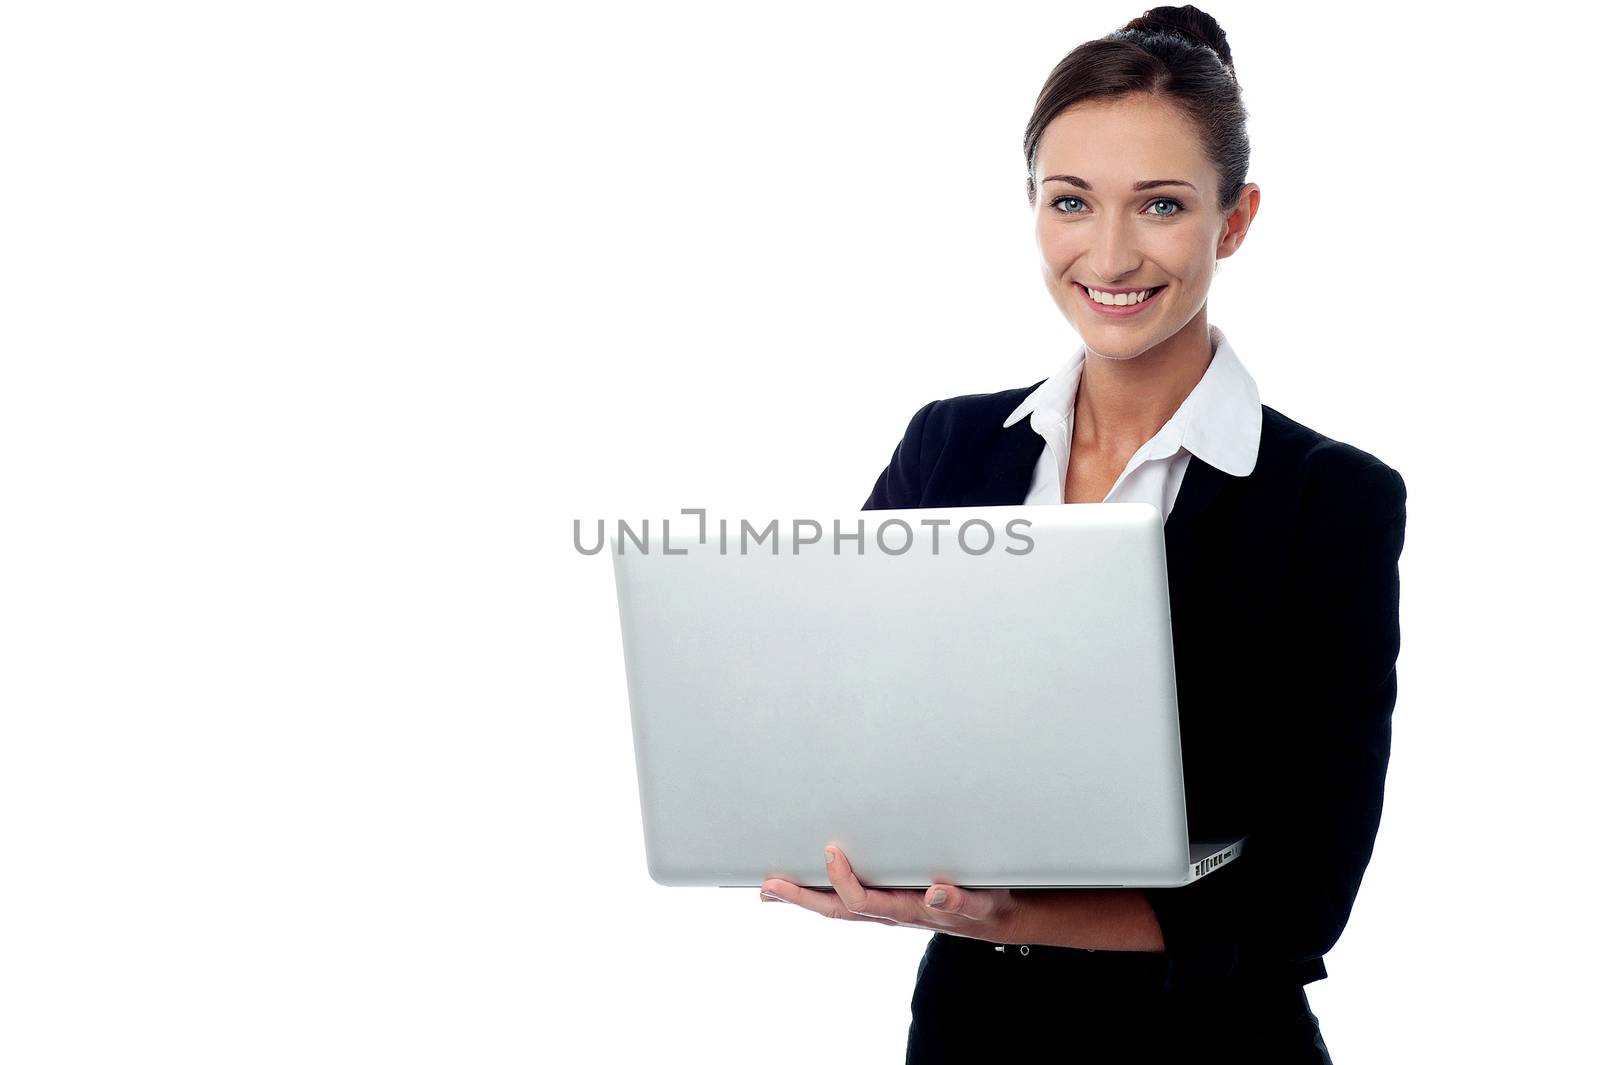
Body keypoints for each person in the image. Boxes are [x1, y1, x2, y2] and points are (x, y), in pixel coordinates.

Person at [756, 6, 1406, 1061]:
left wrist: (1011, 918)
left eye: (1159, 205)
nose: (1109, 253)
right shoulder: (952, 448)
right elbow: (851, 732)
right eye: (1071, 202)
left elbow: (1302, 897)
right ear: (1032, 209)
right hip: (969, 1033)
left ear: (1231, 221)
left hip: (1206, 1044)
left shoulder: (1328, 499)